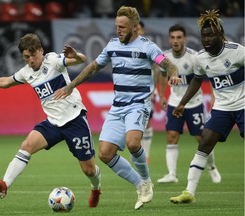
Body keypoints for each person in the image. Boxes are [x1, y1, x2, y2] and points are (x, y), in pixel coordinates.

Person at [53, 6, 180, 209]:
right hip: (118, 106)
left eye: (122, 27)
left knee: (132, 143)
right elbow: (94, 66)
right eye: (116, 26)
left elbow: (167, 64)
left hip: (138, 104)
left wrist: (173, 73)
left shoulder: (147, 47)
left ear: (135, 27)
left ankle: (146, 181)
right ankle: (139, 184)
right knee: (104, 153)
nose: (118, 30)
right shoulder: (112, 45)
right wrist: (71, 85)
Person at [0, 33, 101, 208]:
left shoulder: (53, 60)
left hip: (74, 119)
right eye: (26, 57)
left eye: (33, 55)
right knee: (27, 145)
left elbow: (81, 60)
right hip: (52, 122)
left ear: (41, 51)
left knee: (89, 169)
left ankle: (96, 188)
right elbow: (5, 82)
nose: (30, 60)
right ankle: (4, 185)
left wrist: (76, 56)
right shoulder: (26, 73)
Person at [170, 9, 244, 204]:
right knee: (204, 142)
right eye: (204, 36)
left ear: (220, 34)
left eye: (211, 35)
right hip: (222, 108)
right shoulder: (201, 58)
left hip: (243, 105)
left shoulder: (238, 51)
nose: (207, 39)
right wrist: (182, 104)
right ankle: (189, 192)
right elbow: (197, 80)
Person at [156, 24, 221, 184]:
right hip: (173, 102)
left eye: (179, 37)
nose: (175, 41)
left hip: (194, 104)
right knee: (171, 136)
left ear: (184, 38)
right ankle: (171, 174)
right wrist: (162, 95)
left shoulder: (195, 57)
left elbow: (210, 76)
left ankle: (212, 167)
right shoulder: (165, 58)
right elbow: (163, 76)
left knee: (203, 139)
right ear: (169, 39)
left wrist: (213, 95)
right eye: (172, 37)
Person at [138, 20, 156, 164]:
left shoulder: (148, 47)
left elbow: (156, 69)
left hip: (146, 92)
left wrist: (154, 90)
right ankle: (139, 152)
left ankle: (146, 154)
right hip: (130, 93)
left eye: (140, 29)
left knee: (147, 122)